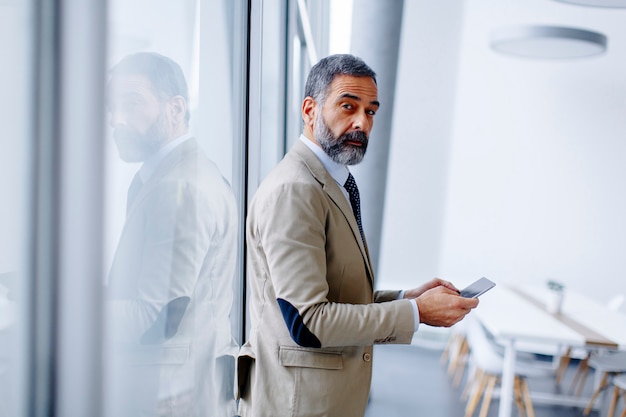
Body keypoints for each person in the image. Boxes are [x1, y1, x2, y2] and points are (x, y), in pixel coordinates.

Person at [236, 54, 479, 417]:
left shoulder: (334, 182)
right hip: (298, 403)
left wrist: (405, 297)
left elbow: (335, 291)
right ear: (310, 110)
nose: (361, 123)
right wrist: (416, 313)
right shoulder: (296, 190)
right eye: (348, 106)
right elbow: (309, 322)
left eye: (371, 112)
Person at [104, 52, 238, 417]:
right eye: (112, 107)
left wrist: (60, 316)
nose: (116, 120)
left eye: (131, 103)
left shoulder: (180, 186)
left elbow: (156, 315)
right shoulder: (173, 176)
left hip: (171, 397)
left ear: (175, 109)